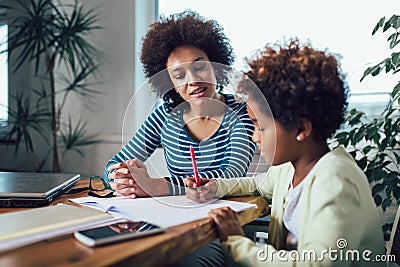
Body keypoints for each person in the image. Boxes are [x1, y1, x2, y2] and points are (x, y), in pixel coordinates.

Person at [185, 40, 386, 266]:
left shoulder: (335, 181)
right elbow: (256, 185)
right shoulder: (289, 169)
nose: (254, 137)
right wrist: (214, 186)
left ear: (301, 129)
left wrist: (237, 243)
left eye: (260, 127)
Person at [104, 10, 256, 198]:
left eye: (200, 67)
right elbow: (115, 162)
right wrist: (120, 178)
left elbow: (230, 176)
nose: (193, 80)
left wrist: (155, 186)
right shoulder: (165, 116)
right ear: (171, 84)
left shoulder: (243, 113)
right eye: (179, 75)